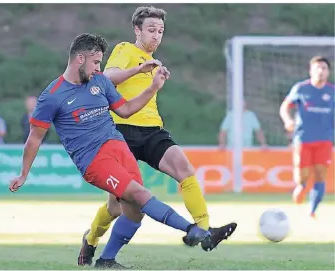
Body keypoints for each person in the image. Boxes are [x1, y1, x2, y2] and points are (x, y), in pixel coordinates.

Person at [8, 33, 212, 269]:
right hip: (94, 160)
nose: (98, 68)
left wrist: (153, 87)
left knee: (135, 212)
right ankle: (190, 228)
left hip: (118, 147)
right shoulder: (52, 97)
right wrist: (23, 173)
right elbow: (34, 139)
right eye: (96, 63)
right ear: (79, 59)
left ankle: (106, 259)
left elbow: (125, 110)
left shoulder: (100, 82)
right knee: (139, 194)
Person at [78, 6, 237, 266]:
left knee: (185, 169)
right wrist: (139, 69)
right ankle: (92, 239)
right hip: (120, 132)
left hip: (152, 130)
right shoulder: (125, 50)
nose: (156, 36)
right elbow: (108, 78)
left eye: (161, 31)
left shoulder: (156, 64)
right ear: (137, 30)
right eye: (151, 30)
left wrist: (154, 80)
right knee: (117, 207)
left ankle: (205, 231)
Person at [279, 56, 334, 218]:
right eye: (317, 68)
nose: (321, 71)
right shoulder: (301, 89)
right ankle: (301, 186)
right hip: (303, 138)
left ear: (328, 72)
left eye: (324, 68)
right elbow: (284, 107)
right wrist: (288, 120)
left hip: (325, 140)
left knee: (320, 174)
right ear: (311, 71)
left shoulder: (332, 92)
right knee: (302, 174)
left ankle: (312, 210)